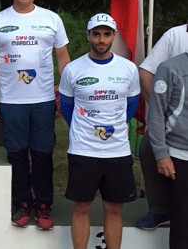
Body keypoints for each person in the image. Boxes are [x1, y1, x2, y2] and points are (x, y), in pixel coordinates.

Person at [0, 0, 70, 230]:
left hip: (42, 100)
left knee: (42, 155)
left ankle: (43, 205)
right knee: (17, 156)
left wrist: (65, 96)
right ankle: (21, 204)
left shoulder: (52, 19)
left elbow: (63, 59)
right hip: (11, 101)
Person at [59, 13, 140, 249]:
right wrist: (86, 132)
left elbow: (130, 108)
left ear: (113, 36)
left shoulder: (128, 69)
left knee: (114, 209)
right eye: (96, 34)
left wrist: (112, 131)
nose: (101, 40)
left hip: (117, 151)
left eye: (106, 34)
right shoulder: (73, 69)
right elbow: (67, 109)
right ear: (88, 35)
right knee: (82, 207)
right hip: (84, 151)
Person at [135, 23, 188, 230]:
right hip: (170, 115)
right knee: (150, 147)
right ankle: (159, 209)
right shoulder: (174, 35)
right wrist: (161, 108)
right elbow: (146, 72)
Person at [147, 51, 188, 249]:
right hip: (179, 156)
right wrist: (161, 154)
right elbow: (156, 114)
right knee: (182, 222)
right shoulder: (170, 68)